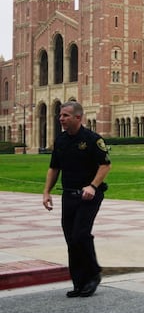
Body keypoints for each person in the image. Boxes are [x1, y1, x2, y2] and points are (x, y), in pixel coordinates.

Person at [42, 101, 111, 298]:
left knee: (81, 234)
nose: (61, 119)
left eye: (65, 115)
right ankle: (79, 283)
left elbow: (105, 165)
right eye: (61, 115)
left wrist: (92, 186)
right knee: (71, 239)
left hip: (89, 196)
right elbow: (54, 168)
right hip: (69, 195)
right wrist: (47, 192)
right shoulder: (61, 141)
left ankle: (93, 274)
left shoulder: (92, 139)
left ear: (78, 118)